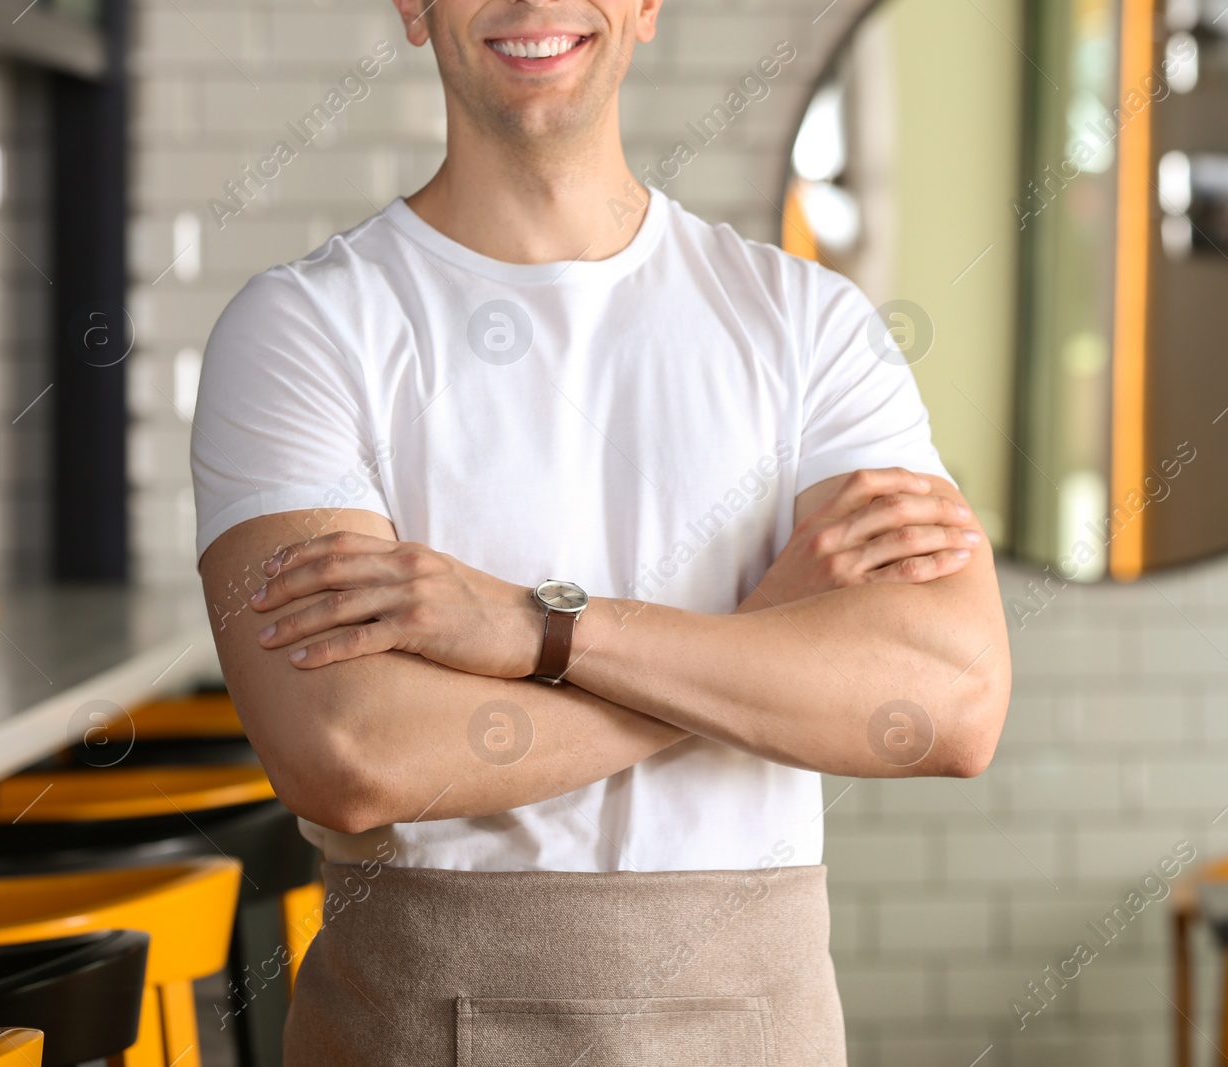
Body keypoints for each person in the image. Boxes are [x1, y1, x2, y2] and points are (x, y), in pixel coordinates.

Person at [191, 0, 1011, 1061]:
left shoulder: (811, 330)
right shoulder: (304, 331)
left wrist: (538, 630)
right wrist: (752, 636)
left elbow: (946, 703)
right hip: (413, 1015)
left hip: (760, 1019)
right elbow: (350, 751)